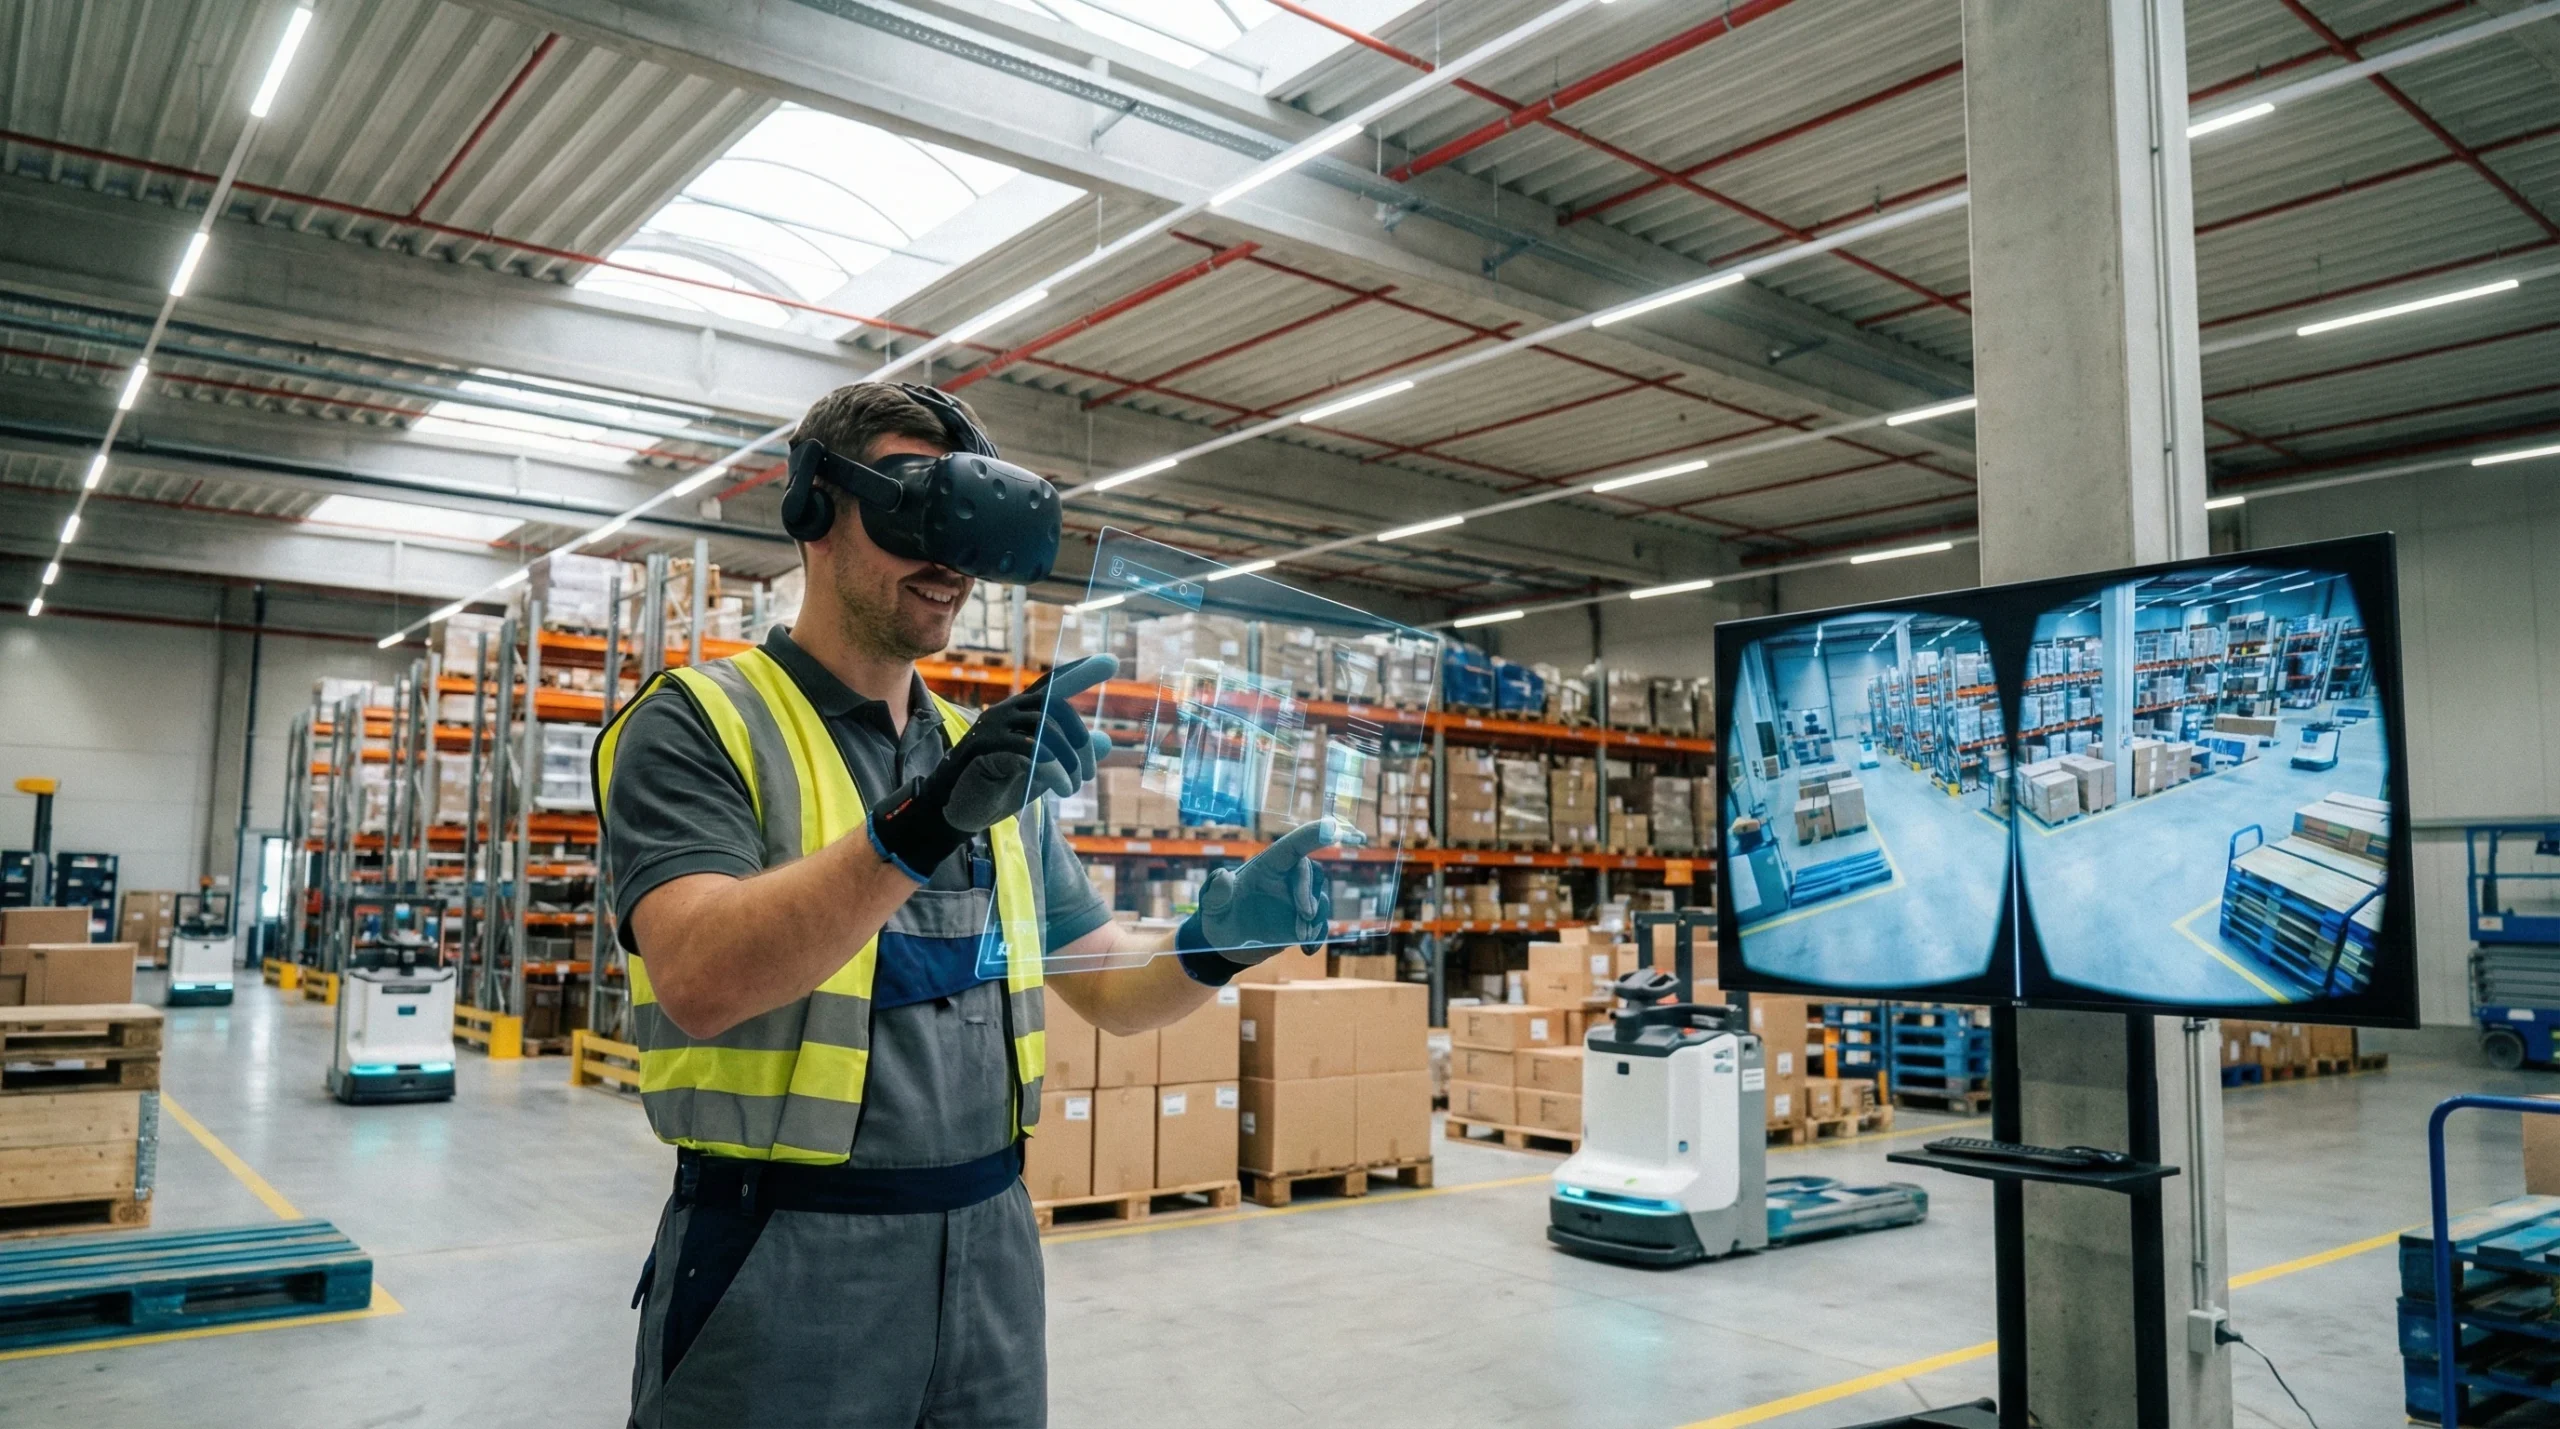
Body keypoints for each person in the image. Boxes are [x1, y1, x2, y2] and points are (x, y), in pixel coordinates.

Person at [594, 381, 1337, 1428]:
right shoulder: (700, 723)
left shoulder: (981, 757)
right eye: (915, 514)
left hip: (991, 1251)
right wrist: (925, 819)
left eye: (967, 531)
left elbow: (1103, 979)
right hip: (780, 1261)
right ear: (814, 506)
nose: (947, 563)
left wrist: (1218, 940)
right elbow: (699, 977)